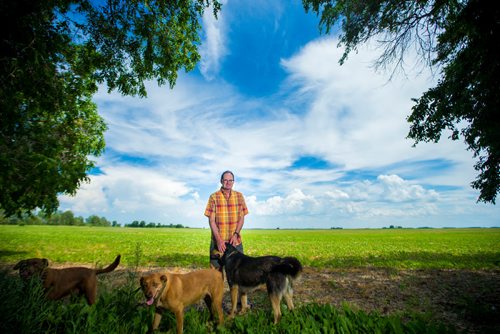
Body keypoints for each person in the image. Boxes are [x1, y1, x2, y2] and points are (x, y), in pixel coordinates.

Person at [204, 170, 249, 270]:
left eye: (230, 180)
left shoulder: (239, 196)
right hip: (218, 243)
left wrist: (236, 234)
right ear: (221, 181)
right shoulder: (214, 197)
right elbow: (211, 221)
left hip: (235, 243)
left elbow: (242, 217)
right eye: (225, 180)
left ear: (233, 182)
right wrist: (219, 240)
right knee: (216, 275)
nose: (228, 182)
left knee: (239, 273)